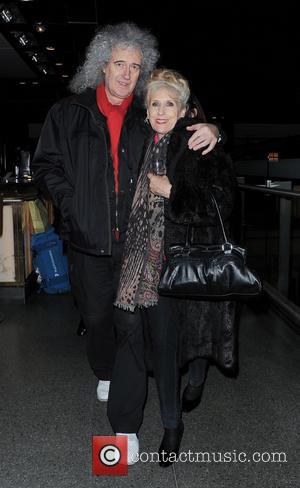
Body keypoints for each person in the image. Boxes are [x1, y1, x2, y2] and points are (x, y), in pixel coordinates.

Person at [32, 23, 221, 408]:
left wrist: (215, 129)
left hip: (136, 240)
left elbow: (183, 118)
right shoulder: (68, 112)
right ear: (102, 65)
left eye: (135, 67)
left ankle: (127, 405)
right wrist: (72, 206)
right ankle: (104, 370)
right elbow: (46, 166)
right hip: (88, 238)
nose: (126, 74)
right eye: (119, 64)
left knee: (131, 324)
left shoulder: (143, 110)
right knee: (97, 317)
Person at [109, 68, 238, 465]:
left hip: (192, 260)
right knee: (164, 347)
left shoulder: (198, 144)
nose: (161, 111)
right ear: (145, 111)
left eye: (170, 104)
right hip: (151, 267)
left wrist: (173, 192)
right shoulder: (138, 142)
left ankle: (198, 376)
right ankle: (171, 425)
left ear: (184, 110)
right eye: (154, 104)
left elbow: (222, 204)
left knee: (197, 339)